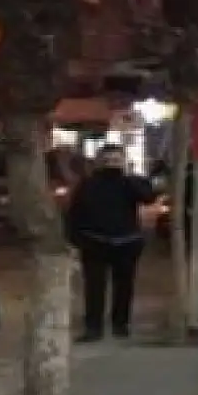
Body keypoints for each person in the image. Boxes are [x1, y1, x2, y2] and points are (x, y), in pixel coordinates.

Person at [66, 144, 155, 342]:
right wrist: (75, 239)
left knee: (124, 286)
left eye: (116, 160)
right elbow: (75, 212)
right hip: (95, 241)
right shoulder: (89, 184)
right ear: (98, 163)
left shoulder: (130, 183)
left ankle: (120, 324)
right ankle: (93, 327)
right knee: (94, 287)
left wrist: (127, 176)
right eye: (107, 161)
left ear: (123, 162)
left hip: (126, 241)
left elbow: (147, 197)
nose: (111, 166)